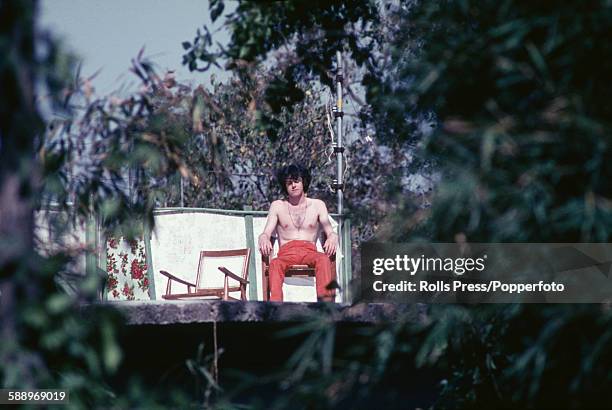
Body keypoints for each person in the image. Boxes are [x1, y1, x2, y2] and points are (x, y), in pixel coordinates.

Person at [258, 164, 338, 302]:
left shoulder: (318, 205)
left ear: (304, 182)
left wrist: (333, 237)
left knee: (323, 260)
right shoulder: (277, 206)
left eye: (296, 181)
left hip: (310, 251)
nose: (293, 185)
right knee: (275, 264)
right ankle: (275, 307)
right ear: (285, 186)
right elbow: (266, 233)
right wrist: (263, 238)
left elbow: (330, 231)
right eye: (289, 183)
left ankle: (325, 307)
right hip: (286, 252)